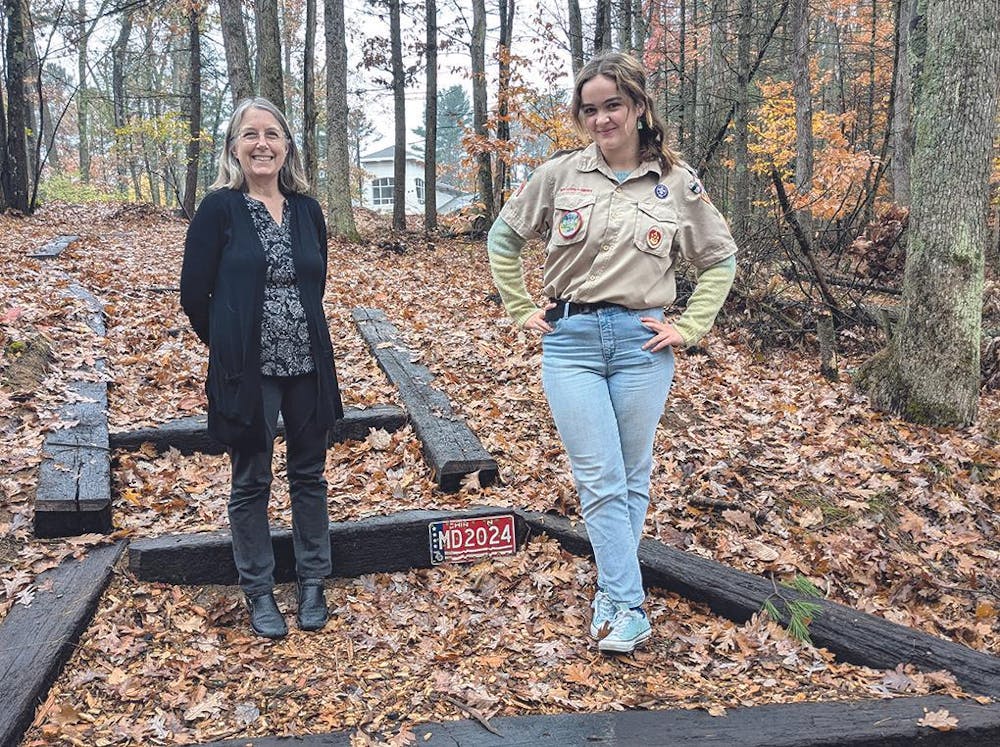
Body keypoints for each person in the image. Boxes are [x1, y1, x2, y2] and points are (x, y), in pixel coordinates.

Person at [487, 53, 737, 654]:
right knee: (601, 475)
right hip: (569, 343)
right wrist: (522, 308)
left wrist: (692, 325)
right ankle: (626, 602)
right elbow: (504, 235)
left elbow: (720, 258)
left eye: (613, 106)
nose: (601, 118)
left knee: (631, 474)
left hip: (641, 346)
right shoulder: (561, 175)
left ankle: (611, 588)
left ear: (639, 107)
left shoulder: (678, 184)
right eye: (590, 108)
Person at [180, 97, 343, 639]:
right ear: (234, 147)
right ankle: (259, 590)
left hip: (307, 360)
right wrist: (227, 346)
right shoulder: (219, 209)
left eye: (272, 134)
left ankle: (314, 580)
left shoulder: (307, 210)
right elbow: (193, 294)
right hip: (248, 369)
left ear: (287, 145)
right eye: (250, 134)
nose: (262, 144)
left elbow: (314, 281)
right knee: (251, 478)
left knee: (309, 474)